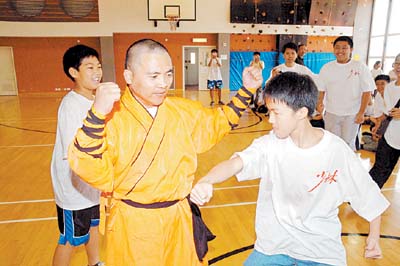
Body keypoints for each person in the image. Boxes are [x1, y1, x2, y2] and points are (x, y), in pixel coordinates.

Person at [68, 39, 262, 265]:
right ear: (129, 77)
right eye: (154, 76)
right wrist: (97, 114)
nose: (163, 83)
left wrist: (247, 89)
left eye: (168, 74)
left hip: (179, 221)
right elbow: (87, 165)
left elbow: (219, 121)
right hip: (133, 226)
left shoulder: (182, 111)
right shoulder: (111, 118)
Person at [191, 72, 390, 266]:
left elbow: (367, 194)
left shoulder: (337, 151)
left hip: (321, 252)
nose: (270, 120)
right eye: (269, 112)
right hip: (273, 247)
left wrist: (373, 237)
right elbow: (236, 163)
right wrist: (207, 180)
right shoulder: (271, 144)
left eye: (276, 113)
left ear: (302, 112)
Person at [50, 45, 103, 266]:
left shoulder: (93, 101)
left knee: (92, 225)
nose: (97, 72)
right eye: (89, 67)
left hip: (91, 183)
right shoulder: (71, 105)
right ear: (74, 72)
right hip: (73, 187)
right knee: (70, 239)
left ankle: (95, 262)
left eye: (99, 66)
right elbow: (76, 151)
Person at [317, 36, 375, 150]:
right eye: (337, 47)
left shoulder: (360, 66)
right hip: (331, 112)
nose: (340, 51)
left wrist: (361, 112)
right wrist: (320, 104)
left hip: (352, 114)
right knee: (331, 143)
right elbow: (322, 89)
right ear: (333, 49)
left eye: (344, 48)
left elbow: (367, 91)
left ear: (351, 49)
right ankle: (333, 167)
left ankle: (347, 167)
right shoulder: (326, 68)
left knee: (348, 144)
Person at [369, 54, 400, 188]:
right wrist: (378, 124)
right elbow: (388, 112)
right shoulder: (390, 87)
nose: (399, 67)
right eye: (397, 63)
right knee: (379, 170)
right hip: (390, 137)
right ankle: (364, 198)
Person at [360, 74, 391, 152]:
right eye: (377, 84)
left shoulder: (392, 96)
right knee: (365, 136)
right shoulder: (378, 95)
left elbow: (387, 115)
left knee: (381, 146)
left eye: (382, 84)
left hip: (390, 125)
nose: (379, 86)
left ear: (389, 84)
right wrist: (376, 128)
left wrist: (377, 128)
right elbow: (378, 116)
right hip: (381, 122)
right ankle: (376, 140)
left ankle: (375, 144)